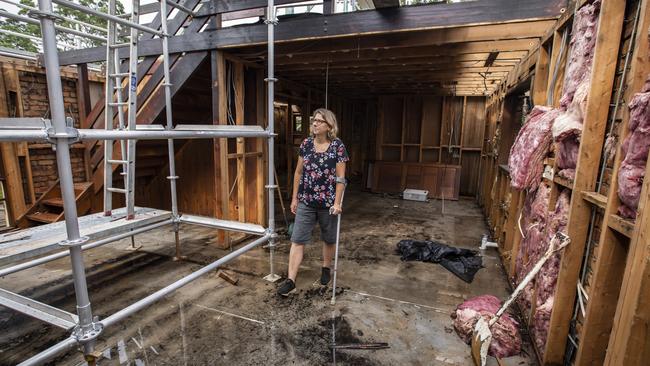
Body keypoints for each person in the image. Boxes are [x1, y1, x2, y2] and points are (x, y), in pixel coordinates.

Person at [277, 108, 349, 297]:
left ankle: (326, 268)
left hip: (328, 203)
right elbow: (298, 172)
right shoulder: (306, 144)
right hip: (306, 201)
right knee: (297, 239)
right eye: (313, 120)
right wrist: (294, 198)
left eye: (319, 121)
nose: (315, 124)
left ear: (329, 126)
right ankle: (291, 280)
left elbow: (341, 178)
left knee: (328, 238)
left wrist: (337, 202)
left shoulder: (337, 146)